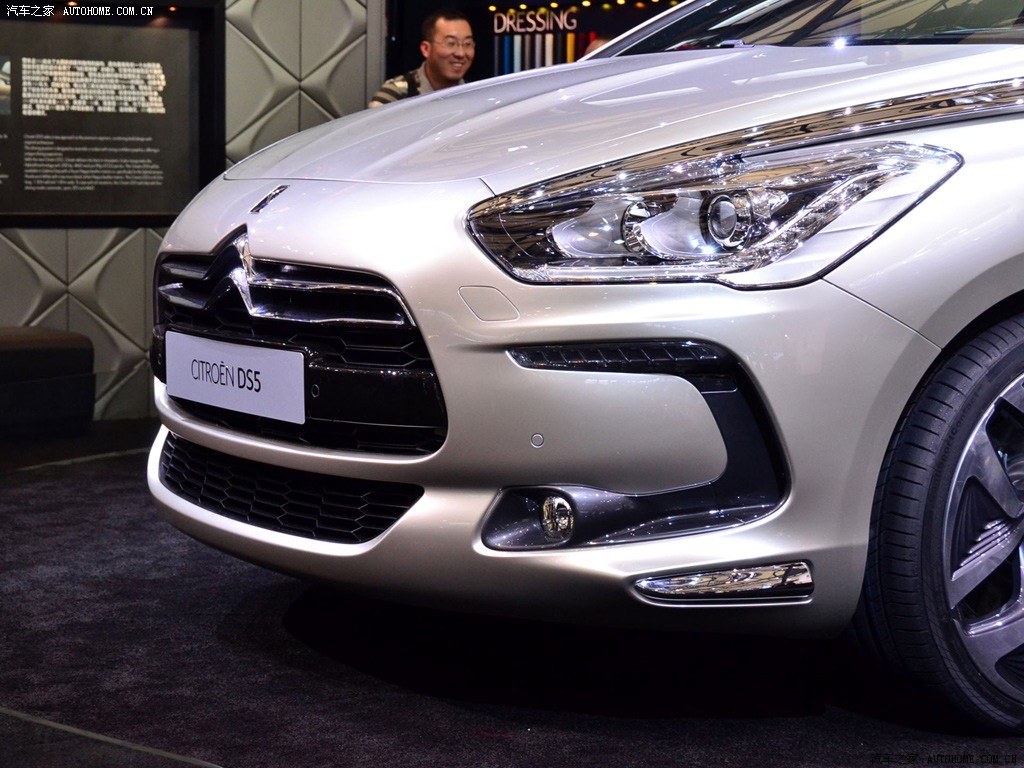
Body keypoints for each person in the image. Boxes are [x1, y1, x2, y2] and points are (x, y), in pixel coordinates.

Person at [369, 9, 474, 108]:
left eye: (467, 44)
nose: (460, 53)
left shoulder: (475, 94)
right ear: (426, 49)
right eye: (451, 43)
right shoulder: (396, 95)